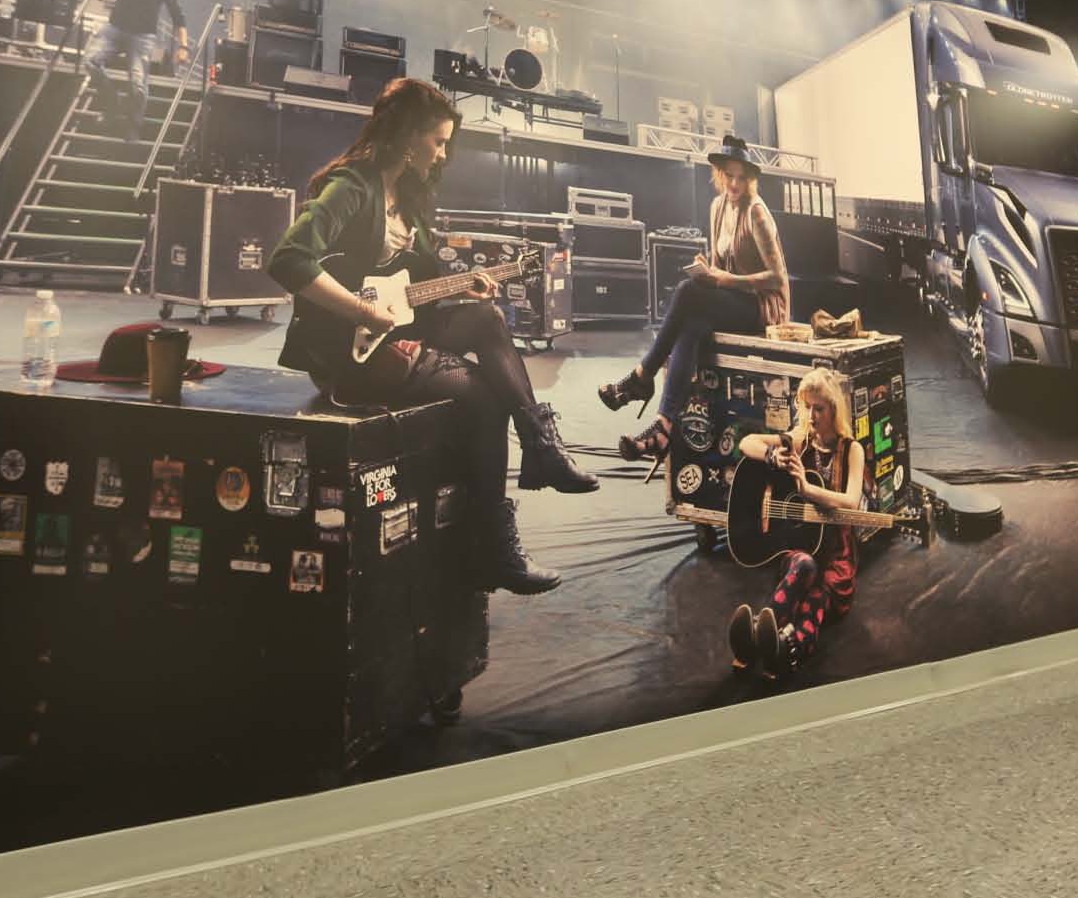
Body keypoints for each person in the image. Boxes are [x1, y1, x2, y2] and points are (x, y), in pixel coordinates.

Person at [266, 78, 593, 595]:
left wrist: (469, 288)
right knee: (485, 398)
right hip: (349, 353)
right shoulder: (353, 186)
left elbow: (408, 290)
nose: (443, 154)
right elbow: (288, 259)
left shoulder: (411, 198)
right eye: (437, 141)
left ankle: (540, 443)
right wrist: (361, 312)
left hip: (396, 327)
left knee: (486, 318)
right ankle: (494, 546)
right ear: (404, 135)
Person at [598, 134, 790, 460]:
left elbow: (777, 278)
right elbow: (719, 266)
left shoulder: (756, 213)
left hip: (762, 307)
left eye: (742, 177)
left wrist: (724, 278)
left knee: (688, 291)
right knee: (692, 326)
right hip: (732, 298)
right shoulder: (717, 208)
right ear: (719, 175)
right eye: (729, 175)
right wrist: (708, 269)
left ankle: (641, 377)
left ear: (751, 180)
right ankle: (663, 427)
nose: (734, 183)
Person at [729, 367, 864, 679]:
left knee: (816, 596)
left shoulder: (851, 449)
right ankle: (762, 638)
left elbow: (852, 501)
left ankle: (780, 648)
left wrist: (807, 490)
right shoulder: (800, 440)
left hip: (836, 559)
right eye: (807, 407)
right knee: (803, 565)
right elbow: (747, 443)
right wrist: (772, 457)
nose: (812, 415)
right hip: (802, 547)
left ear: (834, 410)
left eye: (819, 408)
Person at [49, 0, 188, 144]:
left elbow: (178, 18)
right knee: (90, 61)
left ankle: (133, 126)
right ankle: (112, 103)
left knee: (138, 84)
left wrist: (183, 47)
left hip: (142, 36)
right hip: (115, 30)